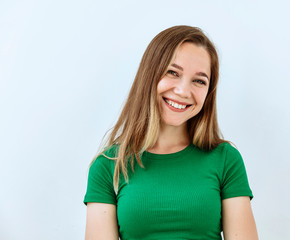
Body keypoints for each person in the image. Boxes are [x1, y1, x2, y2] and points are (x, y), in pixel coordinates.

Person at [83, 25, 258, 240]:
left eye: (199, 81)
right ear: (149, 75)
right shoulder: (108, 165)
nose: (183, 91)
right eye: (173, 72)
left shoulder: (226, 160)